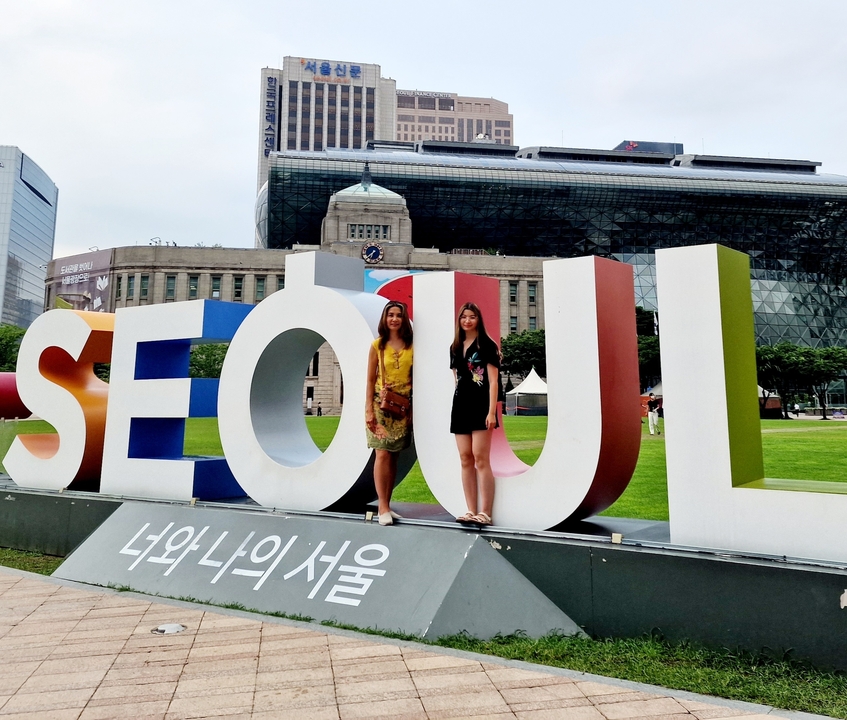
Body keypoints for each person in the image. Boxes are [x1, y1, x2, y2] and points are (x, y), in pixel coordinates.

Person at [450, 302, 500, 527]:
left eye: (472, 317)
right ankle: (470, 510)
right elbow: (457, 379)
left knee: (481, 458)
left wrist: (491, 412)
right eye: (464, 317)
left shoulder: (487, 345)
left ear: (478, 319)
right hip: (460, 407)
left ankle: (485, 512)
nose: (467, 321)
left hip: (481, 407)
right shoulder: (455, 347)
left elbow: (493, 381)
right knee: (465, 458)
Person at [365, 301, 413, 526]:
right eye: (390, 315)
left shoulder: (412, 345)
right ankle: (382, 507)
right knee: (382, 454)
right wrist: (368, 410)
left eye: (398, 315)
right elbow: (370, 379)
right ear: (384, 319)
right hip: (380, 405)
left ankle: (388, 504)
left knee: (394, 456)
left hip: (402, 407)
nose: (394, 319)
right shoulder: (378, 345)